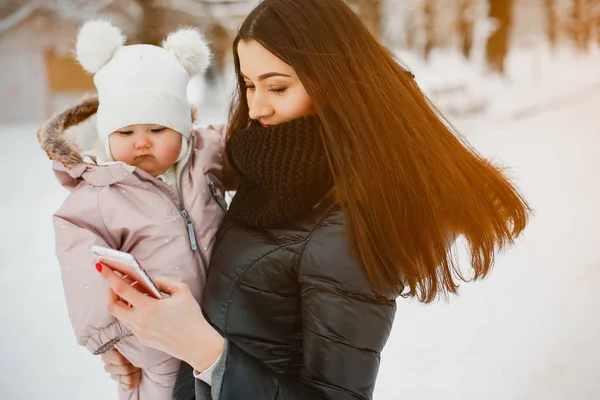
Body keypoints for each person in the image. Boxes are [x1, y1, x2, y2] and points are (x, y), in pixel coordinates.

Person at [96, 0, 531, 399]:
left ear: (333, 84)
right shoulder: (272, 173)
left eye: (278, 87)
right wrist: (139, 340)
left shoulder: (348, 226)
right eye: (249, 84)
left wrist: (204, 351)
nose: (258, 107)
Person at [38, 20, 227, 399]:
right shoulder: (98, 194)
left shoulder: (204, 157)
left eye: (158, 130)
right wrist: (118, 338)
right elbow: (83, 272)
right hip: (153, 339)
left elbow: (248, 147)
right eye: (126, 133)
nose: (142, 143)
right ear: (108, 134)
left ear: (183, 130)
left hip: (223, 321)